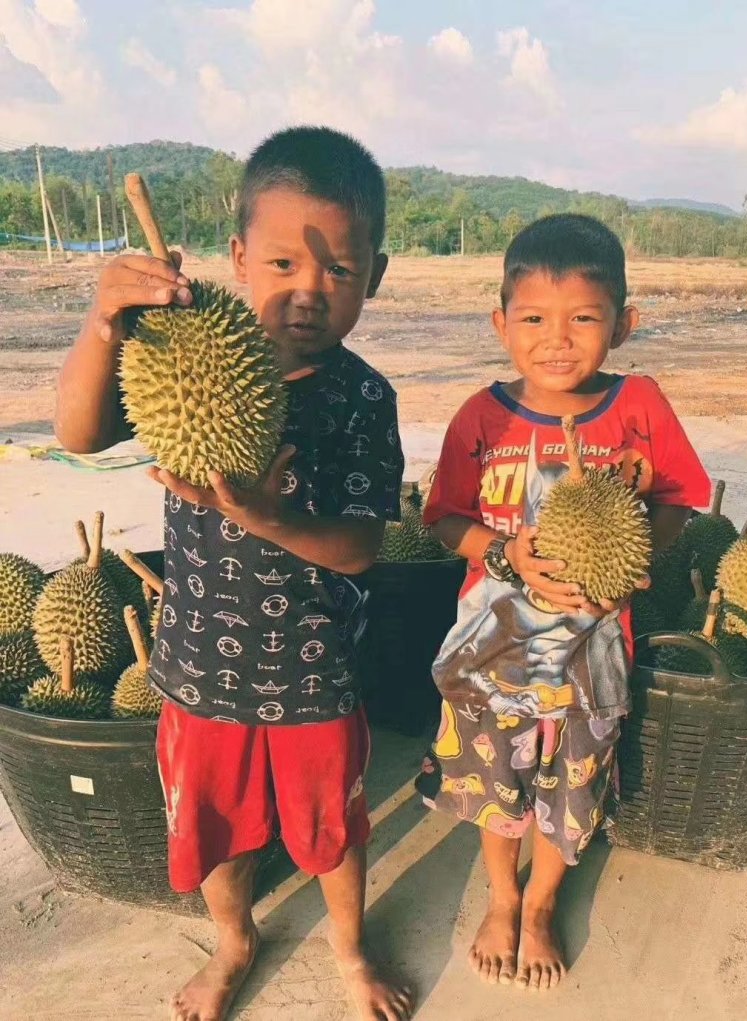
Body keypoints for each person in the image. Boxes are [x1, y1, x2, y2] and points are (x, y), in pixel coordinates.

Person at [55, 126, 413, 1021]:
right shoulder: (176, 349)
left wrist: (265, 514)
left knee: (333, 832)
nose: (308, 291)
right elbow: (78, 435)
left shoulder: (364, 395)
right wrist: (107, 321)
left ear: (374, 275)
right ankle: (234, 940)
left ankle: (349, 948)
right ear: (239, 257)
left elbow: (363, 547)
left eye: (339, 270)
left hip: (313, 670)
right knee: (213, 835)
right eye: (286, 262)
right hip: (196, 668)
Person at [415, 213, 710, 993]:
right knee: (493, 785)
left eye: (584, 318)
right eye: (535, 319)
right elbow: (442, 518)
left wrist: (648, 544)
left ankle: (542, 900)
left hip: (594, 652)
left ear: (623, 322)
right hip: (492, 653)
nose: (558, 338)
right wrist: (504, 553)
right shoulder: (484, 417)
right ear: (500, 322)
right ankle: (503, 895)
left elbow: (681, 496)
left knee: (570, 785)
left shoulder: (639, 403)